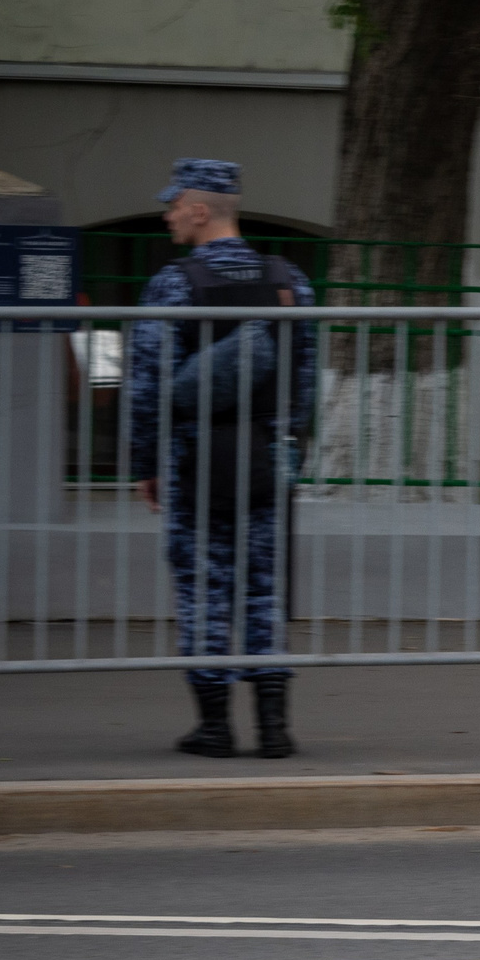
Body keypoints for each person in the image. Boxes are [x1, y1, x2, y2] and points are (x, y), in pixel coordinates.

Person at [125, 159, 317, 758]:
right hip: (266, 453)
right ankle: (275, 727)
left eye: (174, 205)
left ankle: (214, 725)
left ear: (200, 210)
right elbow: (304, 380)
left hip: (194, 457)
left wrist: (145, 463)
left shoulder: (175, 284)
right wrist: (291, 449)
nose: (167, 215)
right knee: (262, 587)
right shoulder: (291, 280)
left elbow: (147, 384)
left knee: (204, 586)